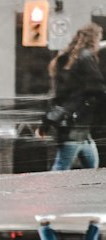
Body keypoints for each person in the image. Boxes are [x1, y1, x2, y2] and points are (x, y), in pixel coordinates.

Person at [40, 23, 106, 171]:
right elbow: (97, 87)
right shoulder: (86, 58)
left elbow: (60, 95)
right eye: (99, 37)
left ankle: (89, 192)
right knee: (61, 167)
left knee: (92, 169)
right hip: (75, 126)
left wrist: (46, 121)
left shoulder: (70, 59)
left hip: (80, 128)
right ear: (93, 39)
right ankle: (47, 193)